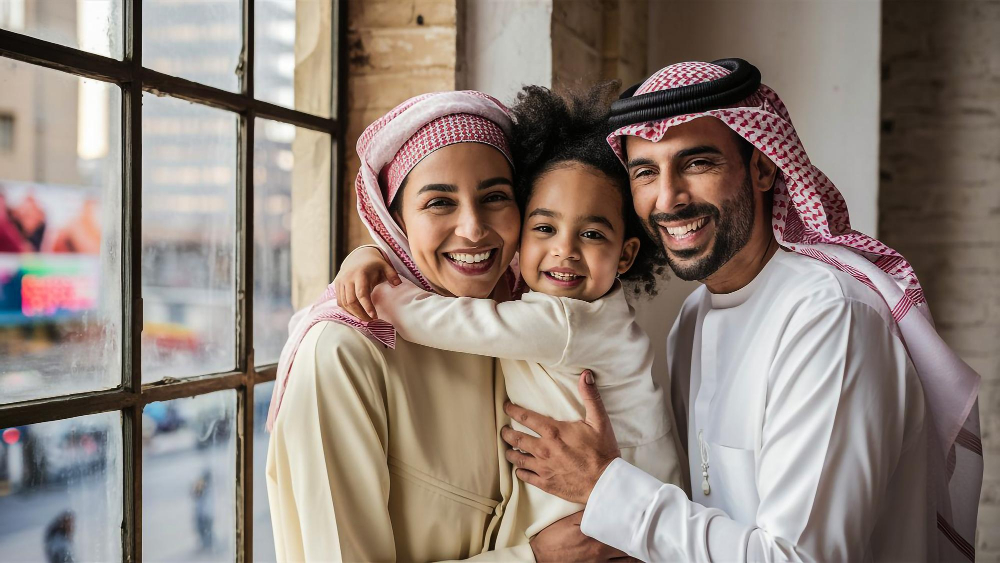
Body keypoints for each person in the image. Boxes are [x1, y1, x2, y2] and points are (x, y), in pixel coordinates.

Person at [497, 59, 984, 561]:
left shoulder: (828, 316)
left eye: (696, 163)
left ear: (762, 166)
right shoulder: (692, 320)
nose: (668, 199)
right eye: (645, 172)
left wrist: (606, 488)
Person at [266, 90, 621, 561]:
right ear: (395, 221)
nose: (473, 229)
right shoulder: (342, 355)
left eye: (496, 196)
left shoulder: (519, 317)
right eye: (439, 202)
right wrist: (535, 559)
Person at [333, 85, 685, 553]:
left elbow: (449, 323)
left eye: (593, 234)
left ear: (626, 255)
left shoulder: (566, 320)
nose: (564, 249)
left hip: (619, 515)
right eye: (544, 228)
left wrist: (378, 280)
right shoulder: (538, 298)